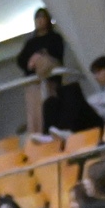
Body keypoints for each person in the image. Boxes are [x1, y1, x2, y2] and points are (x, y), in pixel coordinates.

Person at [15, 8, 66, 136]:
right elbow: (21, 60)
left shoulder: (55, 38)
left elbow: (57, 56)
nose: (39, 20)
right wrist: (31, 64)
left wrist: (40, 56)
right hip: (34, 83)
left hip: (50, 81)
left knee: (49, 109)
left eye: (42, 17)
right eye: (37, 17)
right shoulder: (30, 42)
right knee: (35, 114)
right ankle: (37, 136)